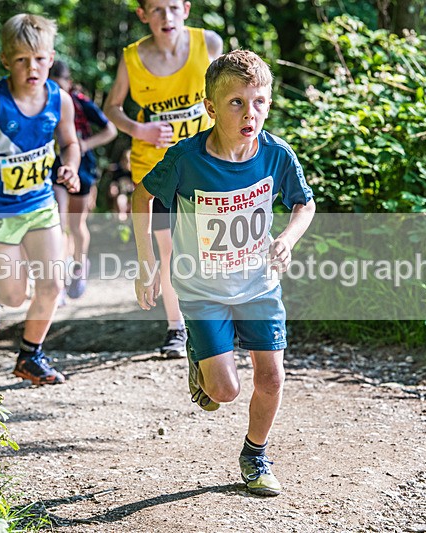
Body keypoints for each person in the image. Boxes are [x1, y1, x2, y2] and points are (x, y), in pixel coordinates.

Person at [131, 50, 316, 496]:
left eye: (259, 102)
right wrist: (146, 263)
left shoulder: (275, 154)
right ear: (211, 108)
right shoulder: (187, 158)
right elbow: (142, 198)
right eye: (236, 102)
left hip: (258, 284)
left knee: (271, 377)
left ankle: (255, 454)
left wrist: (287, 239)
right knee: (225, 392)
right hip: (201, 289)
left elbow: (304, 203)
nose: (250, 113)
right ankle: (201, 356)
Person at [0, 13, 81, 386]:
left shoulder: (60, 100)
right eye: (21, 60)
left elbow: (71, 143)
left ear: (50, 58)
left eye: (39, 59)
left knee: (52, 284)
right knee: (13, 295)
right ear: (6, 60)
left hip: (40, 206)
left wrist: (69, 166)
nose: (32, 68)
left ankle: (30, 356)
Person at [104, 0, 222, 357]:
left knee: (213, 246)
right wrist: (138, 128)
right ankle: (176, 328)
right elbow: (111, 108)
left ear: (185, 8)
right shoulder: (131, 57)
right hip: (156, 172)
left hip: (206, 165)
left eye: (172, 7)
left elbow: (234, 91)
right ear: (143, 15)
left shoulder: (210, 45)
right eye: (155, 9)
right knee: (168, 248)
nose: (165, 16)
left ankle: (218, 319)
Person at [48, 60, 117, 300]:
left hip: (82, 167)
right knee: (58, 222)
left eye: (59, 85)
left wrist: (85, 144)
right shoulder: (40, 103)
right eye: (50, 84)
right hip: (53, 168)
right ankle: (60, 276)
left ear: (68, 83)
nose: (54, 90)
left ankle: (79, 267)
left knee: (76, 225)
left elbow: (110, 130)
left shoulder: (80, 102)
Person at [105, 148, 134, 221]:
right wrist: (113, 187)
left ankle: (130, 223)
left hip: (133, 195)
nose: (126, 163)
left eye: (128, 161)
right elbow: (114, 183)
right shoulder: (118, 171)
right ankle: (121, 221)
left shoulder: (134, 173)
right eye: (124, 160)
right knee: (120, 200)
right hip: (122, 194)